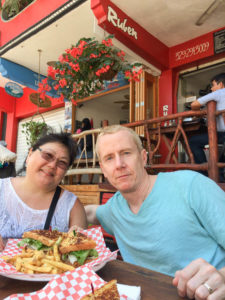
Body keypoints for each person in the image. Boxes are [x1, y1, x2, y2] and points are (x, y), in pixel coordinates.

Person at [85, 125, 225, 300]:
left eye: (126, 153)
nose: (119, 164)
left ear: (143, 158)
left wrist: (223, 277)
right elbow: (90, 213)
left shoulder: (190, 185)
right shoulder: (114, 209)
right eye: (109, 158)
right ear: (103, 169)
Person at [0, 132, 87, 252]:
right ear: (30, 154)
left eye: (62, 163)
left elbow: (81, 253)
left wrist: (77, 240)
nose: (52, 165)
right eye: (47, 155)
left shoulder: (72, 206)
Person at [189, 73, 225, 171]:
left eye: (213, 85)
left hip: (223, 134)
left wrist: (199, 113)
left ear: (221, 84)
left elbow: (194, 104)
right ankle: (220, 174)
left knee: (193, 141)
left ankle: (204, 172)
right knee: (218, 150)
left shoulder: (220, 93)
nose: (212, 89)